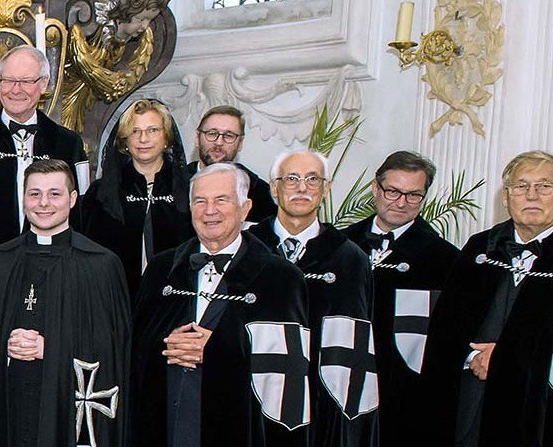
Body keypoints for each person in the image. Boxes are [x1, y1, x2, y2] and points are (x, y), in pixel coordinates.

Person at [424, 151, 553, 446]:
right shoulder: (479, 249)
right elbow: (445, 328)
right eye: (521, 186)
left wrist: (507, 362)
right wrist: (472, 357)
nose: (531, 195)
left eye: (544, 186)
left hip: (546, 414)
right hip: (472, 403)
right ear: (506, 197)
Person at [128, 163, 310, 447]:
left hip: (240, 427)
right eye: (200, 201)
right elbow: (135, 348)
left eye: (221, 200)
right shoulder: (161, 268)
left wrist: (217, 349)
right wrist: (167, 343)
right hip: (165, 425)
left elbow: (289, 374)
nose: (209, 210)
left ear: (245, 207)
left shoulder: (281, 278)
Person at [0, 159, 131, 447]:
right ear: (23, 198)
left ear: (72, 199)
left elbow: (115, 348)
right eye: (34, 194)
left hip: (68, 410)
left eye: (54, 194)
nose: (44, 203)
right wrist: (1, 344)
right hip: (8, 408)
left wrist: (53, 348)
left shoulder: (101, 266)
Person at [246, 150, 378, 446]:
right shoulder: (248, 250)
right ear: (274, 187)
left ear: (326, 188)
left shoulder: (350, 259)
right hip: (252, 396)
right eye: (291, 178)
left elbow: (356, 346)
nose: (302, 187)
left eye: (312, 179)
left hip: (322, 406)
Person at [339, 151, 459, 447]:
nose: (401, 203)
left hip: (406, 392)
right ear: (375, 188)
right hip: (340, 380)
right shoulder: (338, 246)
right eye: (393, 191)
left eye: (414, 195)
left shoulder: (446, 260)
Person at [0, 46, 91, 248]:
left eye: (26, 81)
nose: (16, 90)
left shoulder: (68, 143)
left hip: (56, 260)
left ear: (44, 83)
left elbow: (81, 210)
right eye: (8, 81)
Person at [80, 99, 194, 293]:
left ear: (167, 137)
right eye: (135, 131)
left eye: (153, 130)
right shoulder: (102, 193)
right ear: (124, 140)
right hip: (115, 297)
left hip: (175, 300)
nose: (143, 139)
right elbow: (87, 254)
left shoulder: (190, 189)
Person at [183, 105, 276, 223]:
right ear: (197, 138)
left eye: (229, 136)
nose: (219, 142)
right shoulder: (171, 185)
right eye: (212, 133)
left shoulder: (260, 194)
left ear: (241, 143)